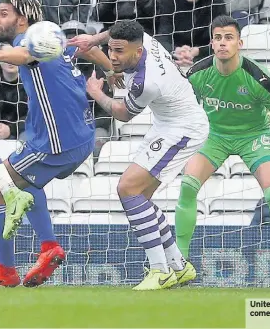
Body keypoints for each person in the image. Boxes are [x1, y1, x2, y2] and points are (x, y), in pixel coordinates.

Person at [0, 0, 118, 287]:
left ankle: (6, 270)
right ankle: (46, 249)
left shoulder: (30, 42)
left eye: (3, 13)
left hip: (56, 142)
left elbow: (25, 55)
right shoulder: (50, 36)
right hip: (79, 135)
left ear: (22, 19)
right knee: (28, 183)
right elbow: (85, 49)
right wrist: (109, 69)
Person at [174, 15, 270, 289]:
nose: (223, 43)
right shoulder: (197, 74)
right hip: (215, 136)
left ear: (240, 43)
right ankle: (178, 266)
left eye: (228, 38)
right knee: (188, 186)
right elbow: (184, 113)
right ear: (211, 43)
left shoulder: (258, 77)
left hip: (254, 137)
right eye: (218, 38)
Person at [73, 20, 209, 291]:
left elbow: (123, 113)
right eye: (111, 50)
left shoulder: (148, 82)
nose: (112, 56)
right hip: (168, 123)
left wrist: (96, 92)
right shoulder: (140, 38)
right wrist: (94, 40)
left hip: (183, 129)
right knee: (139, 198)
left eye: (119, 52)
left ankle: (160, 271)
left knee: (127, 188)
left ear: (137, 52)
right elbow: (117, 33)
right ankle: (179, 267)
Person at [171, 0, 226, 67]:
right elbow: (163, 36)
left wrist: (198, 51)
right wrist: (176, 51)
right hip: (176, 61)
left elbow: (221, 40)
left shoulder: (216, 4)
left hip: (209, 61)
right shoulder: (171, 3)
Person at [0, 44, 28, 141]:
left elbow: (32, 116)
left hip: (20, 132)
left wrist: (10, 129)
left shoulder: (30, 83)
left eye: (14, 56)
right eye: (7, 56)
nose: (10, 61)